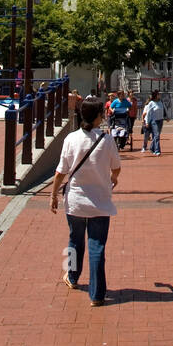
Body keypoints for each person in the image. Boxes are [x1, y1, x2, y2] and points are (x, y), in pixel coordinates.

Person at [50, 96, 121, 307]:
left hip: (75, 202)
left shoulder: (71, 139)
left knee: (74, 241)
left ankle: (72, 276)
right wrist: (113, 179)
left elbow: (60, 172)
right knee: (97, 246)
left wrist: (53, 194)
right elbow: (116, 167)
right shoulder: (107, 140)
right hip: (100, 201)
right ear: (99, 117)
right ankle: (97, 293)